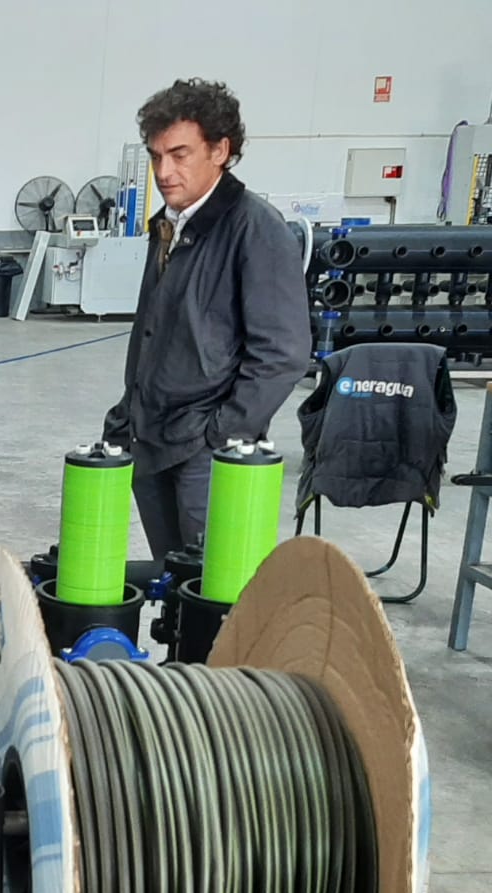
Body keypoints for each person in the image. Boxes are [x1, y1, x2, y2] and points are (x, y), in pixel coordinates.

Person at [102, 78, 310, 561]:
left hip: (206, 455)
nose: (164, 171)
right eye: (156, 157)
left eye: (179, 155)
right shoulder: (171, 225)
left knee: (211, 597)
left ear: (220, 150)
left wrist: (220, 436)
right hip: (151, 440)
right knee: (174, 588)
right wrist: (128, 412)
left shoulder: (256, 229)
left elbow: (282, 354)